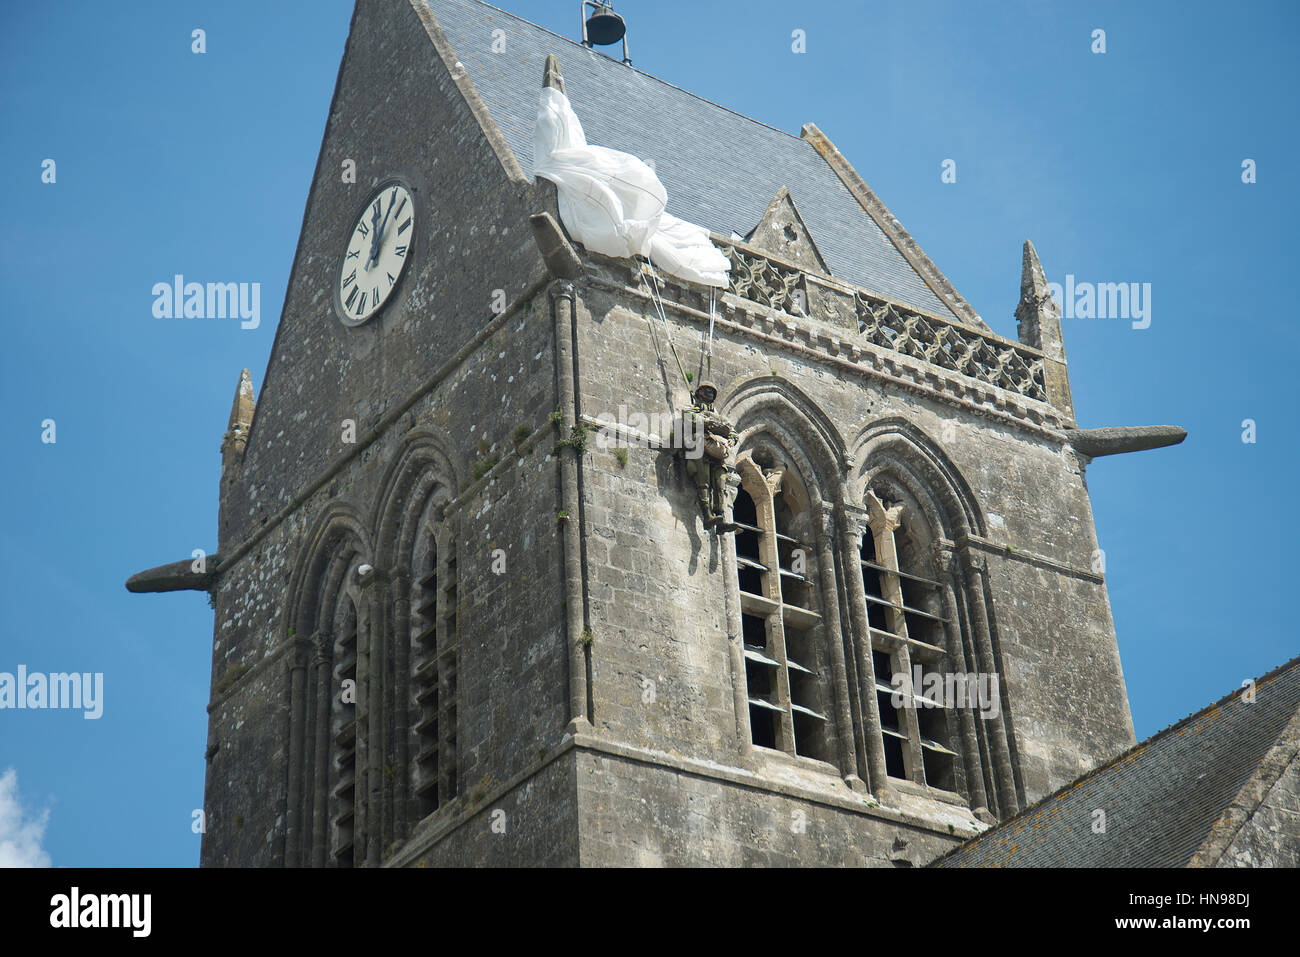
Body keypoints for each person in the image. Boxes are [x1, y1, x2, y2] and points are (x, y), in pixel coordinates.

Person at [681, 381, 741, 532]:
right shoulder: (693, 409)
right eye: (705, 390)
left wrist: (731, 440)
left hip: (716, 451)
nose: (708, 393)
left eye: (711, 391)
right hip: (699, 450)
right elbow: (689, 420)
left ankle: (721, 519)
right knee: (703, 481)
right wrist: (709, 423)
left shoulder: (718, 415)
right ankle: (707, 515)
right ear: (699, 393)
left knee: (720, 484)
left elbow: (732, 432)